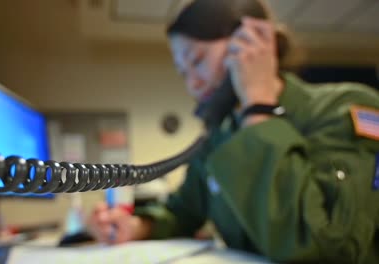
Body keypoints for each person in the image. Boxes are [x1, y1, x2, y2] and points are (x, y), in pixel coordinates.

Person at [88, 0, 379, 262]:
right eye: (183, 72)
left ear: (252, 42)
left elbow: (331, 247)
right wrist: (139, 225)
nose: (193, 85)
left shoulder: (346, 107)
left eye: (198, 61)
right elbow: (184, 211)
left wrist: (258, 107)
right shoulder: (220, 137)